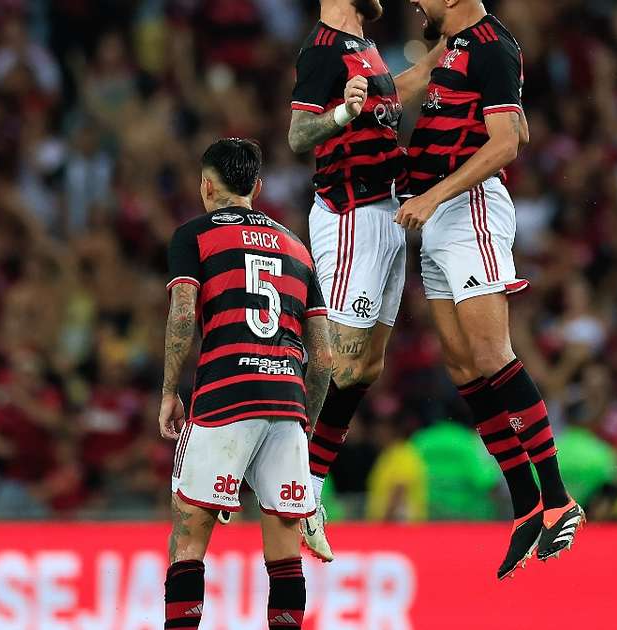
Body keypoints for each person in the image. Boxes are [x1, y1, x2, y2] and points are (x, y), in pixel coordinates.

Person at [396, 0, 581, 579]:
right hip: (435, 216)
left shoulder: (493, 46)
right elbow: (406, 85)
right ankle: (525, 502)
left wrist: (432, 196)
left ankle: (557, 498)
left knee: (492, 354)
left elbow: (506, 143)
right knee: (462, 367)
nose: (414, 2)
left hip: (465, 207)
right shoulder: (450, 43)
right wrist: (350, 100)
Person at [157, 139, 333, 630]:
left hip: (223, 397)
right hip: (287, 405)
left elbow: (183, 311)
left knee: (189, 539)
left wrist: (170, 391)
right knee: (283, 546)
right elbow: (322, 356)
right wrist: (304, 422)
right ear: (256, 188)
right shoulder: (298, 248)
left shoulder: (193, 236)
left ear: (206, 187)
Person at [287, 0, 441, 561]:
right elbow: (299, 136)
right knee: (337, 359)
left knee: (367, 366)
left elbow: (389, 97)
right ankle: (292, 482)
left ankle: (309, 482)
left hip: (387, 211)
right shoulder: (323, 48)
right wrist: (340, 117)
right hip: (350, 215)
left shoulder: (364, 46)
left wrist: (457, 45)